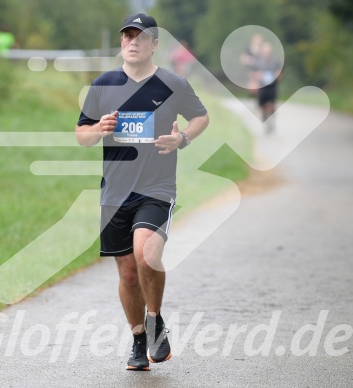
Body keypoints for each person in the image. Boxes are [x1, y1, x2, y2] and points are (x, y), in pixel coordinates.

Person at [75, 13, 209, 371]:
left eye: (141, 36)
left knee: (145, 253)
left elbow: (200, 117)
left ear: (154, 44)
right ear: (122, 42)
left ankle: (155, 319)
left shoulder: (172, 83)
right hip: (115, 193)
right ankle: (138, 341)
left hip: (156, 187)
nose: (133, 41)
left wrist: (182, 138)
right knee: (128, 274)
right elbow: (82, 135)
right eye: (127, 36)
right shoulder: (103, 84)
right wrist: (99, 129)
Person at [255, 42, 282, 133]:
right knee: (262, 105)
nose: (266, 53)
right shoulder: (259, 62)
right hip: (262, 87)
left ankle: (271, 118)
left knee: (271, 104)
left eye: (268, 51)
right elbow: (255, 73)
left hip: (272, 86)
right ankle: (264, 117)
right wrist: (258, 76)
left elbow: (279, 72)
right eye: (265, 51)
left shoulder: (275, 61)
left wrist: (277, 75)